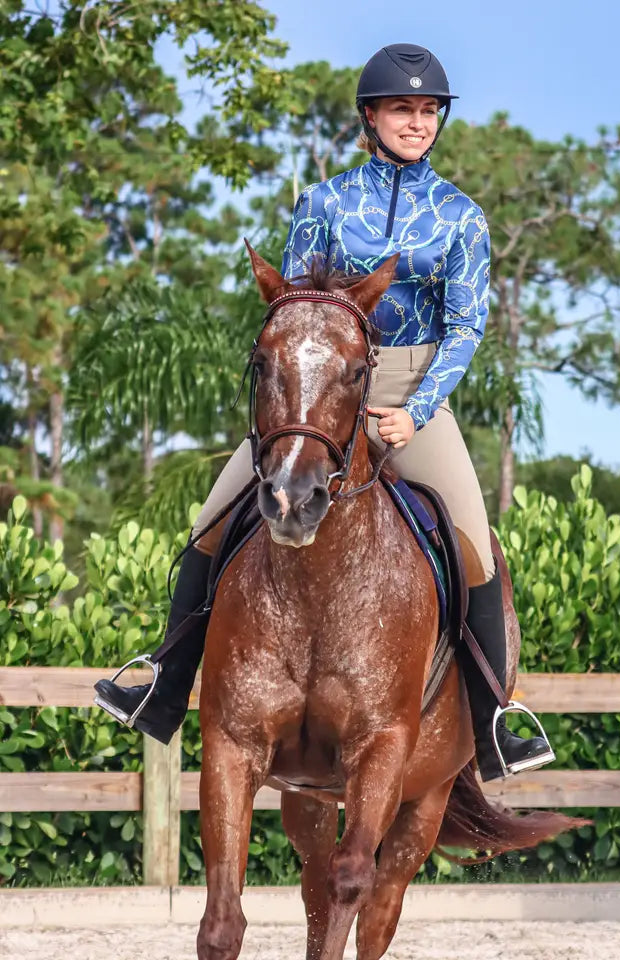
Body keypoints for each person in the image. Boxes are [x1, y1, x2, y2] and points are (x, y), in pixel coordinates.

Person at [94, 43, 554, 782]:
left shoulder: (463, 219)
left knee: (474, 542)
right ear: (370, 117)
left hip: (411, 384)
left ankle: (498, 716)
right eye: (402, 109)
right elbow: (294, 304)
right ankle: (164, 681)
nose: (416, 122)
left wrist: (418, 408)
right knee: (211, 523)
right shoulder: (324, 203)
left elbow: (466, 327)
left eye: (428, 110)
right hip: (316, 394)